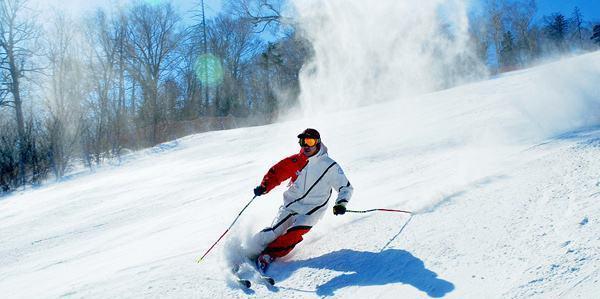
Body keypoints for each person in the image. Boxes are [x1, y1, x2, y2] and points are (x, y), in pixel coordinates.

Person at [251, 128, 353, 272]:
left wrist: (341, 204)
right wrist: (264, 186)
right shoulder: (296, 160)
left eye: (310, 141)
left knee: (293, 234)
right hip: (291, 205)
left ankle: (269, 254)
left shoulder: (329, 166)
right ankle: (250, 250)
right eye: (302, 141)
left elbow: (346, 187)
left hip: (312, 211)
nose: (305, 145)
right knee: (273, 232)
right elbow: (277, 172)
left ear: (317, 143)